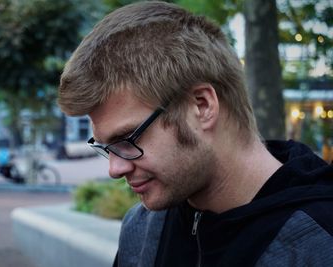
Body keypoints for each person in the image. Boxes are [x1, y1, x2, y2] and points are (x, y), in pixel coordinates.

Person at [57, 1, 333, 266]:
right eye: (105, 147)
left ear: (202, 106)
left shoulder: (319, 243)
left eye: (128, 138)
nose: (114, 168)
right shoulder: (142, 229)